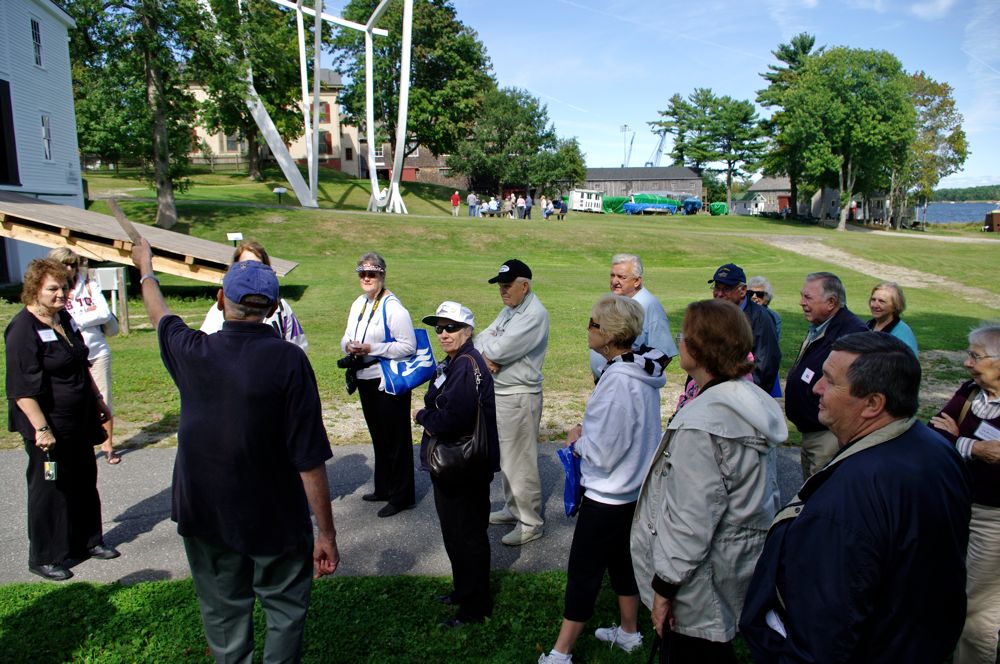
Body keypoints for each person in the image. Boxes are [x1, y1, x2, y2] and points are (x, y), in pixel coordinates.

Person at [131, 239, 339, 661]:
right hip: (275, 517)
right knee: (284, 610)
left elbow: (159, 313)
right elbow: (308, 458)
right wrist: (327, 533)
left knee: (224, 617)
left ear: (221, 298)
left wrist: (146, 268)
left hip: (206, 513)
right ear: (274, 306)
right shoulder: (289, 361)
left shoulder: (192, 350)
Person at [740, 332, 971, 664]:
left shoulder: (847, 498)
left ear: (873, 403)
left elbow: (822, 638)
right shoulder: (935, 449)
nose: (815, 387)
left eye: (830, 381)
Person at [631, 299, 785, 663]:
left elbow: (692, 518)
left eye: (684, 335)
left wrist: (665, 587)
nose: (679, 341)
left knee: (691, 652)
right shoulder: (747, 400)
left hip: (699, 582)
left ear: (701, 349)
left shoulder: (703, 422)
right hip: (732, 565)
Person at [538, 295, 666, 664]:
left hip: (609, 494)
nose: (587, 328)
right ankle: (628, 632)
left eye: (593, 323)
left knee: (583, 572)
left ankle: (561, 653)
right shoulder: (638, 371)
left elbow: (606, 450)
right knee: (621, 560)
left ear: (609, 335)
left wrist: (578, 442)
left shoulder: (618, 382)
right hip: (632, 490)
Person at [5, 258, 118, 581]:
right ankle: (45, 555)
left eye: (65, 287)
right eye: (53, 288)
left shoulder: (63, 319)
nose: (61, 294)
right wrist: (42, 429)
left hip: (79, 420)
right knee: (50, 489)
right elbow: (21, 388)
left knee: (84, 480)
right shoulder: (22, 329)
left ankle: (87, 542)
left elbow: (80, 363)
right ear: (35, 289)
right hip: (48, 426)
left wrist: (98, 400)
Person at [414, 301, 500, 628]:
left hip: (463, 466)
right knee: (456, 533)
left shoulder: (465, 365)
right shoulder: (455, 362)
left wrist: (423, 416)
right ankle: (464, 591)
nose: (443, 334)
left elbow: (455, 418)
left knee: (468, 536)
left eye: (451, 327)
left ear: (467, 330)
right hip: (456, 465)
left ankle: (475, 607)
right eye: (439, 328)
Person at [929, 323, 1000, 664]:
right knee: (952, 589)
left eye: (975, 356)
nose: (967, 363)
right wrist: (972, 446)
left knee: (980, 608)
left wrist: (959, 440)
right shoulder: (971, 392)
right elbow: (936, 431)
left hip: (994, 519)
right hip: (959, 505)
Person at [476, 259, 550, 546]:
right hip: (503, 393)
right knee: (507, 459)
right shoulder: (511, 310)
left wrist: (491, 351)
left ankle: (531, 522)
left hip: (520, 395)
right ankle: (513, 507)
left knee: (520, 461)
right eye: (500, 286)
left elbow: (498, 348)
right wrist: (487, 355)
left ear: (524, 286)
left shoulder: (533, 314)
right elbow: (482, 339)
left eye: (508, 286)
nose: (503, 292)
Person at [340, 252, 417, 518]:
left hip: (388, 380)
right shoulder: (359, 304)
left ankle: (402, 495)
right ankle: (384, 487)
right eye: (362, 273)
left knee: (396, 440)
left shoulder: (394, 307)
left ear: (383, 275)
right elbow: (347, 336)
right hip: (365, 378)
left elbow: (408, 346)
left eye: (372, 273)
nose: (367, 278)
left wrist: (373, 347)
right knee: (379, 436)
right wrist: (349, 346)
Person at [784, 272, 868, 478]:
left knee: (819, 492)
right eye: (802, 296)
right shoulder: (821, 326)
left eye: (808, 298)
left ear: (831, 302)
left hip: (828, 436)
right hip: (812, 431)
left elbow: (853, 389)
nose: (801, 302)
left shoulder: (852, 335)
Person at [49, 247, 120, 464]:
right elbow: (52, 317)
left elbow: (104, 313)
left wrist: (75, 320)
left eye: (73, 264)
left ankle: (108, 445)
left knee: (103, 398)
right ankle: (80, 442)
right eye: (66, 264)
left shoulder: (89, 284)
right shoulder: (52, 288)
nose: (70, 268)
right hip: (69, 355)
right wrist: (87, 316)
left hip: (97, 350)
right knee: (74, 400)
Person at [200, 241, 308, 351]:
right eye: (245, 264)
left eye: (258, 264)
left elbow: (298, 346)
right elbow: (207, 348)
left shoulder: (281, 308)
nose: (252, 270)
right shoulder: (218, 310)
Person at [589, 254, 678, 380]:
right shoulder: (614, 300)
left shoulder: (649, 305)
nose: (614, 281)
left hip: (627, 386)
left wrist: (638, 380)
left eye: (621, 277)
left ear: (637, 281)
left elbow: (664, 354)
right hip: (607, 380)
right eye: (612, 275)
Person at [709, 263, 780, 391]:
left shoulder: (761, 318)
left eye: (726, 289)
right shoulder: (714, 313)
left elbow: (765, 365)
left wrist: (747, 398)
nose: (719, 294)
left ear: (742, 291)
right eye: (716, 288)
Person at [748, 275, 783, 397]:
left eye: (759, 294)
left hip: (763, 367)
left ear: (767, 298)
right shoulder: (742, 313)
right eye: (750, 293)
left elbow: (770, 347)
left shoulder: (773, 317)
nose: (754, 297)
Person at [865, 281, 918, 355]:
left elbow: (909, 364)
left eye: (881, 301)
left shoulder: (902, 334)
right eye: (873, 300)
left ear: (895, 306)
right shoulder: (868, 326)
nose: (875, 305)